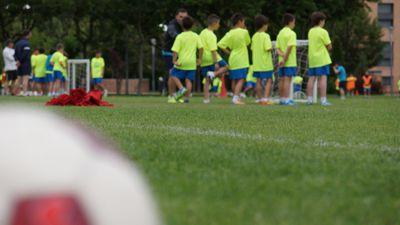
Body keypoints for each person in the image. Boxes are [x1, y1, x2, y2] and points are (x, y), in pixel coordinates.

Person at [218, 13, 251, 105]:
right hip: (242, 60)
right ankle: (235, 98)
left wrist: (229, 52)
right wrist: (246, 31)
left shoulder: (229, 33)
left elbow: (220, 44)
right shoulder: (244, 32)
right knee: (241, 79)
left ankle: (235, 97)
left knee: (234, 80)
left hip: (233, 59)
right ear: (240, 22)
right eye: (243, 22)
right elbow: (248, 42)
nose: (244, 23)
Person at [170, 16, 203, 103]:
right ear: (192, 26)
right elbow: (201, 48)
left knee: (173, 73)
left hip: (182, 61)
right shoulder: (196, 36)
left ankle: (181, 88)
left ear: (182, 25)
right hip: (192, 62)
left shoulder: (180, 37)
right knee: (188, 80)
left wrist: (174, 60)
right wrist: (199, 59)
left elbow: (175, 50)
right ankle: (186, 98)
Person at [200, 14, 228, 104]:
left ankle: (206, 99)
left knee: (207, 80)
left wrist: (200, 58)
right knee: (227, 66)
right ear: (214, 23)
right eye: (218, 23)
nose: (219, 25)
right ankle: (214, 73)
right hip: (212, 58)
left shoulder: (202, 32)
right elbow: (213, 50)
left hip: (204, 59)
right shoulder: (212, 35)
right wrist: (216, 63)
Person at [306, 11, 332, 106]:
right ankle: (323, 100)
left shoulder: (310, 31)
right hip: (322, 59)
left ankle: (309, 100)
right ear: (321, 21)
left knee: (311, 78)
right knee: (323, 78)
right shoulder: (323, 31)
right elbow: (329, 46)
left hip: (312, 59)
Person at [164, 8, 188, 103]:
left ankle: (173, 95)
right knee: (172, 73)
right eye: (181, 17)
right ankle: (171, 96)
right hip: (168, 52)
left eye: (185, 17)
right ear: (176, 16)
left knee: (175, 74)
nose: (182, 19)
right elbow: (174, 35)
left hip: (177, 53)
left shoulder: (184, 26)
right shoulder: (172, 25)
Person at [251, 15, 274, 105]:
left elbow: (252, 48)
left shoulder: (254, 36)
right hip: (265, 63)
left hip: (256, 63)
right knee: (269, 80)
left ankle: (259, 98)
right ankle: (265, 98)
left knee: (258, 81)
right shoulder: (266, 36)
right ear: (264, 25)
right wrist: (273, 47)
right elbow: (268, 48)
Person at [276, 13, 297, 105]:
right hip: (289, 61)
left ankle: (281, 99)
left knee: (281, 79)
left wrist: (282, 57)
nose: (294, 24)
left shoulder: (280, 33)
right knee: (287, 80)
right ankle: (286, 99)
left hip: (281, 61)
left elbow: (277, 49)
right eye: (294, 22)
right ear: (290, 22)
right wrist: (285, 59)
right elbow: (289, 48)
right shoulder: (292, 33)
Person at [14, 30, 32, 96]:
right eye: (30, 34)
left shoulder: (17, 43)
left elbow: (14, 54)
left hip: (19, 63)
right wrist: (20, 61)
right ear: (27, 34)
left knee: (19, 79)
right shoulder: (26, 43)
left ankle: (16, 92)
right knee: (25, 78)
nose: (31, 35)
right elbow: (25, 54)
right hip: (25, 63)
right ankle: (25, 92)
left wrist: (17, 61)